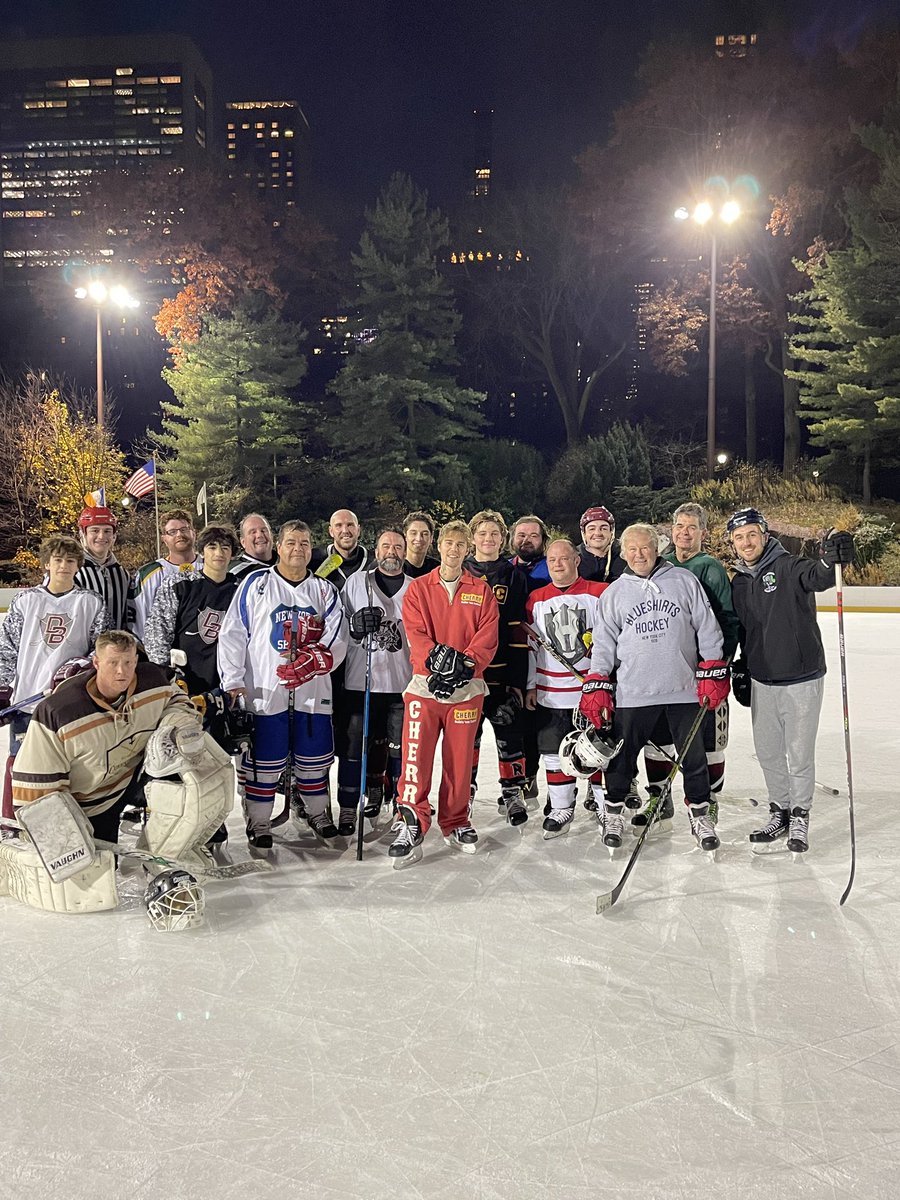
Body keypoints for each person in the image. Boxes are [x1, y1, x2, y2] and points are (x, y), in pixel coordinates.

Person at [580, 523, 728, 854]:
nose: (639, 554)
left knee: (693, 758)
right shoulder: (615, 593)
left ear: (656, 548)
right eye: (631, 549)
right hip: (634, 692)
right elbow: (603, 643)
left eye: (644, 547)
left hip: (683, 689)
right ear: (623, 554)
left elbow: (706, 625)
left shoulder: (683, 581)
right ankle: (614, 811)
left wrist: (713, 667)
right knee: (621, 758)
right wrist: (597, 681)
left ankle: (700, 814)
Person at [217, 520, 347, 852]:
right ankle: (258, 821)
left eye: (304, 543)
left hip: (312, 693)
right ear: (279, 547)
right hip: (264, 690)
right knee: (264, 761)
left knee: (314, 760)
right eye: (291, 542)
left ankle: (318, 814)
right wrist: (232, 681)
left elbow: (337, 634)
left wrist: (316, 659)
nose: (298, 549)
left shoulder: (324, 590)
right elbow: (233, 634)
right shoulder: (255, 584)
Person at [728, 508, 852, 853]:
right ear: (733, 544)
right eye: (739, 537)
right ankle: (779, 810)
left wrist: (831, 559)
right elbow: (744, 629)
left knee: (798, 754)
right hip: (762, 679)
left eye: (752, 534)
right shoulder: (739, 581)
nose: (746, 542)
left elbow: (819, 576)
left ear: (765, 535)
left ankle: (800, 814)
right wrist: (742, 665)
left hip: (801, 678)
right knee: (768, 753)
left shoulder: (788, 565)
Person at [11, 629, 201, 844]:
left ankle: (174, 850)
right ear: (97, 663)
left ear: (136, 660)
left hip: (132, 779)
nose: (122, 671)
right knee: (96, 868)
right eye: (113, 663)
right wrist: (58, 834)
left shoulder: (154, 681)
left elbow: (179, 701)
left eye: (128, 662)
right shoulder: (59, 712)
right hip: (86, 804)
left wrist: (172, 726)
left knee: (187, 776)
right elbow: (36, 787)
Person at [389, 520, 499, 863]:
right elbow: (416, 633)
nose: (454, 549)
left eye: (460, 544)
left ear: (468, 550)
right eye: (449, 543)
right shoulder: (420, 588)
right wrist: (438, 663)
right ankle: (412, 819)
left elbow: (487, 636)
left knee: (460, 761)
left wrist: (464, 666)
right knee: (415, 759)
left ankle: (455, 820)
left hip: (466, 692)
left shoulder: (480, 591)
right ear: (440, 546)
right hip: (425, 688)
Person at [640, 502, 740, 820]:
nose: (684, 532)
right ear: (672, 530)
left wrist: (720, 665)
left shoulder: (710, 567)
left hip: (704, 670)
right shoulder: (660, 564)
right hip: (666, 668)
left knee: (709, 739)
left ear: (703, 533)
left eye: (692, 527)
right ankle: (659, 796)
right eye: (680, 526)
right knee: (659, 737)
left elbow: (727, 618)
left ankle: (708, 800)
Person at [0, 534, 107, 830]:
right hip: (27, 700)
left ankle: (63, 826)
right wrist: (4, 687)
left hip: (68, 703)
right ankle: (12, 823)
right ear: (46, 563)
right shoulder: (25, 600)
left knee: (66, 767)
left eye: (70, 561)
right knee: (19, 762)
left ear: (78, 566)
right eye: (57, 560)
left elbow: (99, 648)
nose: (63, 565)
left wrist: (82, 666)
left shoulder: (91, 602)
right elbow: (7, 647)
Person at [525, 539, 608, 837]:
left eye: (564, 558)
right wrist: (531, 685)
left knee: (597, 751)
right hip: (550, 691)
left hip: (591, 692)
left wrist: (605, 682)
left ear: (577, 560)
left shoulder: (600, 594)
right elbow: (531, 648)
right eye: (552, 560)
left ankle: (604, 806)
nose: (558, 564)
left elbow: (610, 642)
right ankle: (561, 807)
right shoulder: (535, 599)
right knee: (552, 751)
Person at [337, 528, 413, 833]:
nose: (391, 551)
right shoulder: (357, 583)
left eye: (397, 546)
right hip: (361, 682)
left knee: (400, 750)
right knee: (356, 747)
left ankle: (400, 805)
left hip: (401, 684)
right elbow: (335, 626)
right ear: (376, 551)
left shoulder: (417, 588)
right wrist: (353, 627)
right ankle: (346, 806)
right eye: (386, 546)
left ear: (405, 553)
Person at [143, 524, 240, 743]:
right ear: (202, 551)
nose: (218, 553)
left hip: (221, 687)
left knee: (218, 755)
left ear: (232, 553)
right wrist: (166, 676)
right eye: (212, 547)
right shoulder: (179, 585)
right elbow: (157, 634)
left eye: (225, 547)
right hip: (183, 684)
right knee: (179, 751)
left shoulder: (240, 590)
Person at [464, 509, 530, 826]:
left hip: (501, 674)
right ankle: (465, 794)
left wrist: (518, 680)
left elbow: (518, 628)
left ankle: (513, 793)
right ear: (472, 537)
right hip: (467, 674)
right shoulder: (458, 571)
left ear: (502, 538)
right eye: (482, 533)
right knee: (466, 739)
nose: (488, 539)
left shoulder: (514, 575)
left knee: (509, 734)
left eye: (494, 534)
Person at [131, 510, 201, 640]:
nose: (179, 534)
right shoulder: (148, 574)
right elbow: (139, 621)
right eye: (172, 532)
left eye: (184, 529)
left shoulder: (211, 566)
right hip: (162, 652)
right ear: (164, 539)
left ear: (194, 533)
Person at [74, 506, 131, 630]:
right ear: (82, 534)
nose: (101, 536)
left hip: (116, 646)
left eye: (107, 531)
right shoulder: (71, 570)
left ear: (114, 535)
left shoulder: (122, 573)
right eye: (94, 530)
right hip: (81, 648)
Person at [310, 508, 369, 588]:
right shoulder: (314, 559)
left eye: (350, 525)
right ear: (331, 531)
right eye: (338, 525)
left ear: (358, 530)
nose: (345, 531)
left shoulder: (373, 563)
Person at [577, 506, 626, 584]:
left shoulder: (625, 556)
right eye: (592, 529)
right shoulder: (573, 558)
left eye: (604, 528)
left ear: (611, 532)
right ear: (584, 533)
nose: (598, 533)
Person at [509, 514, 551, 592]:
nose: (526, 540)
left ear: (543, 540)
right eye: (521, 535)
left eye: (533, 536)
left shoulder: (553, 566)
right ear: (512, 539)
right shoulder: (504, 568)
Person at [230, 513, 277, 580]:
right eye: (253, 532)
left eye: (263, 530)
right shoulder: (235, 574)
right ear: (243, 542)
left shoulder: (286, 564)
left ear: (271, 536)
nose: (259, 535)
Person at [403, 510, 438, 578]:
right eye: (413, 533)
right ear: (405, 536)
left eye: (425, 534)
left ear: (431, 538)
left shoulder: (437, 570)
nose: (419, 538)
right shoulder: (396, 568)